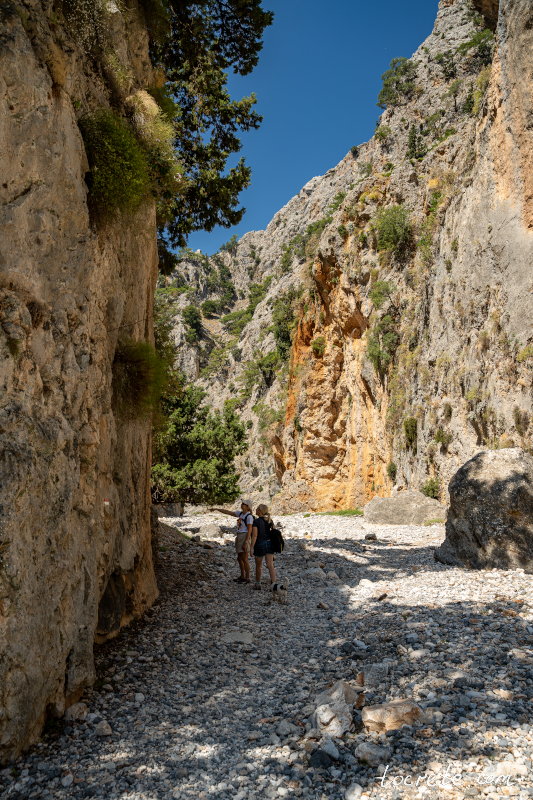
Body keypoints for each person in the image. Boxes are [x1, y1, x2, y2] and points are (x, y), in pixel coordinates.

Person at [208, 500, 254, 583]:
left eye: (244, 504)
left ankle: (247, 578)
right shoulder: (240, 514)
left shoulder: (249, 517)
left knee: (244, 558)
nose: (242, 505)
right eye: (242, 503)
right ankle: (242, 576)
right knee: (239, 558)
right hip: (239, 536)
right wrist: (217, 509)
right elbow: (228, 512)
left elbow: (250, 529)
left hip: (244, 536)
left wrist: (246, 541)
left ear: (248, 507)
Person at [251, 504, 277, 590]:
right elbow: (274, 533)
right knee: (270, 565)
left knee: (258, 565)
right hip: (270, 544)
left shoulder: (256, 521)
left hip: (259, 545)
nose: (256, 509)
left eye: (257, 508)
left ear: (260, 511)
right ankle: (274, 584)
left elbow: (254, 536)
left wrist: (251, 547)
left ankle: (258, 584)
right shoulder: (270, 520)